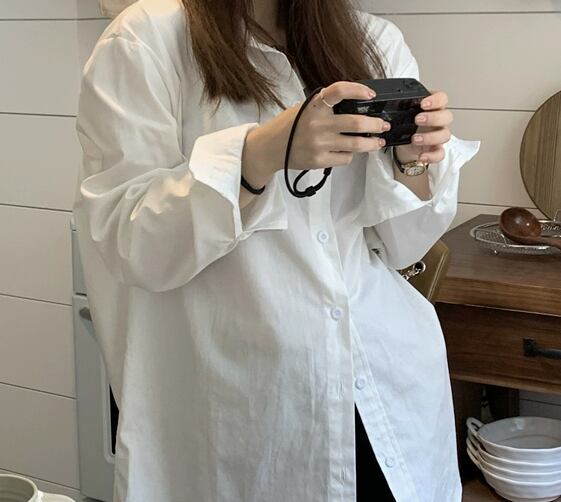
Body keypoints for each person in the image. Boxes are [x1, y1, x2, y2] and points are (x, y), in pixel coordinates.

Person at [72, 0, 481, 500]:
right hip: (245, 418)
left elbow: (401, 247)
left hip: (386, 390)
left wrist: (414, 162)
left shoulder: (373, 40)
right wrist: (257, 155)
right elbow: (129, 242)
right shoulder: (146, 39)